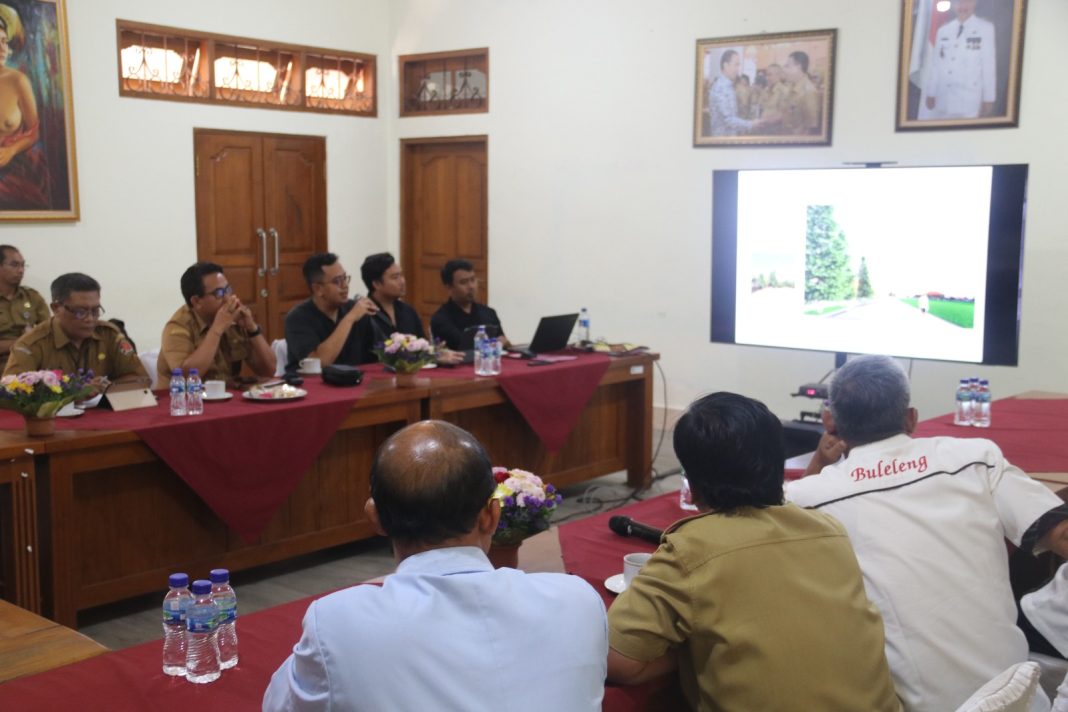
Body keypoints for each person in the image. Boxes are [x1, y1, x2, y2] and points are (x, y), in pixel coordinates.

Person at [263, 420, 608, 712]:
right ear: (491, 516)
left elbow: (278, 704)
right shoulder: (577, 601)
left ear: (376, 518)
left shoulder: (337, 623)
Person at [788, 355, 1068, 712]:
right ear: (911, 418)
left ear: (829, 421)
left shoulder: (807, 500)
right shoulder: (975, 457)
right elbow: (1060, 532)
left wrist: (818, 466)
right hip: (1021, 697)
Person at [607, 391, 901, 711]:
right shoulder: (830, 531)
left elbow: (619, 662)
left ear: (690, 483)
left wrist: (695, 649)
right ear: (779, 463)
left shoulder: (690, 550)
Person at [3, 272, 149, 389]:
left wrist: (108, 386)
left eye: (95, 310)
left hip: (104, 416)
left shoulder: (108, 334)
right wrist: (75, 391)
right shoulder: (31, 344)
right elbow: (12, 391)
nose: (90, 319)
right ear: (56, 308)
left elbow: (139, 379)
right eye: (81, 311)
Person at [157, 262, 275, 386]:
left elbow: (269, 370)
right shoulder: (177, 327)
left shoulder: (234, 320)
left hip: (226, 397)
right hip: (183, 400)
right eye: (219, 293)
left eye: (228, 289)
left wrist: (252, 328)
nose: (227, 298)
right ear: (196, 301)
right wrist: (217, 329)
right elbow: (186, 377)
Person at [284, 252, 379, 371]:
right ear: (318, 289)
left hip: (353, 382)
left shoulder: (354, 309)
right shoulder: (297, 318)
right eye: (337, 281)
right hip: (311, 386)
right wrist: (349, 319)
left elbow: (382, 352)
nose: (345, 286)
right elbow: (318, 362)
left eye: (345, 278)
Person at [0, 4, 50, 210]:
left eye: (4, 42)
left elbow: (35, 132)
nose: (3, 49)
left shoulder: (18, 81)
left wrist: (11, 150)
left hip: (14, 173)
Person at [923, 0, 996, 120]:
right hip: (944, 98)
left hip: (968, 101)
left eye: (967, 1)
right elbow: (936, 64)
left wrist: (988, 98)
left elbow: (988, 66)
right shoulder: (943, 31)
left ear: (975, 2)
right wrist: (931, 93)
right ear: (952, 5)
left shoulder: (985, 29)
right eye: (957, 2)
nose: (962, 6)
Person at [429, 258, 508, 351]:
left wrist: (503, 342)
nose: (471, 286)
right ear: (449, 288)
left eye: (473, 280)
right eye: (464, 282)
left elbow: (503, 340)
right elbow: (465, 346)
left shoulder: (489, 313)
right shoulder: (441, 319)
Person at [0, 245, 48, 364]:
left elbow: (49, 332)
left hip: (31, 365)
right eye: (15, 265)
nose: (21, 270)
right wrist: (22, 342)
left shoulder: (32, 297)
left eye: (23, 265)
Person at [708, 50, 762, 137]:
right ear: (726, 66)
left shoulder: (727, 85)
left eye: (739, 65)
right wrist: (751, 124)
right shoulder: (721, 88)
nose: (738, 69)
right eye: (736, 65)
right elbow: (728, 120)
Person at [782, 50, 822, 135]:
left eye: (787, 66)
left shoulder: (809, 92)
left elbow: (810, 128)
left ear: (798, 67)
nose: (784, 70)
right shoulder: (791, 88)